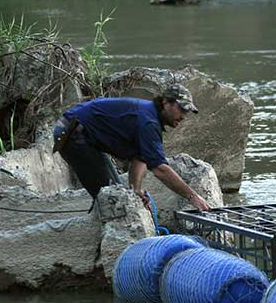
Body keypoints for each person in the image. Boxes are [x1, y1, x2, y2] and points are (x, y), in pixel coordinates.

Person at [53, 84, 211, 211]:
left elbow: (141, 158)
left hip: (85, 136)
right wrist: (193, 197)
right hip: (73, 132)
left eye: (187, 112)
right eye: (181, 109)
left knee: (120, 193)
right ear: (165, 103)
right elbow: (160, 169)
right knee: (113, 200)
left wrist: (136, 190)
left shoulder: (151, 117)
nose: (184, 116)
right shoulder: (148, 121)